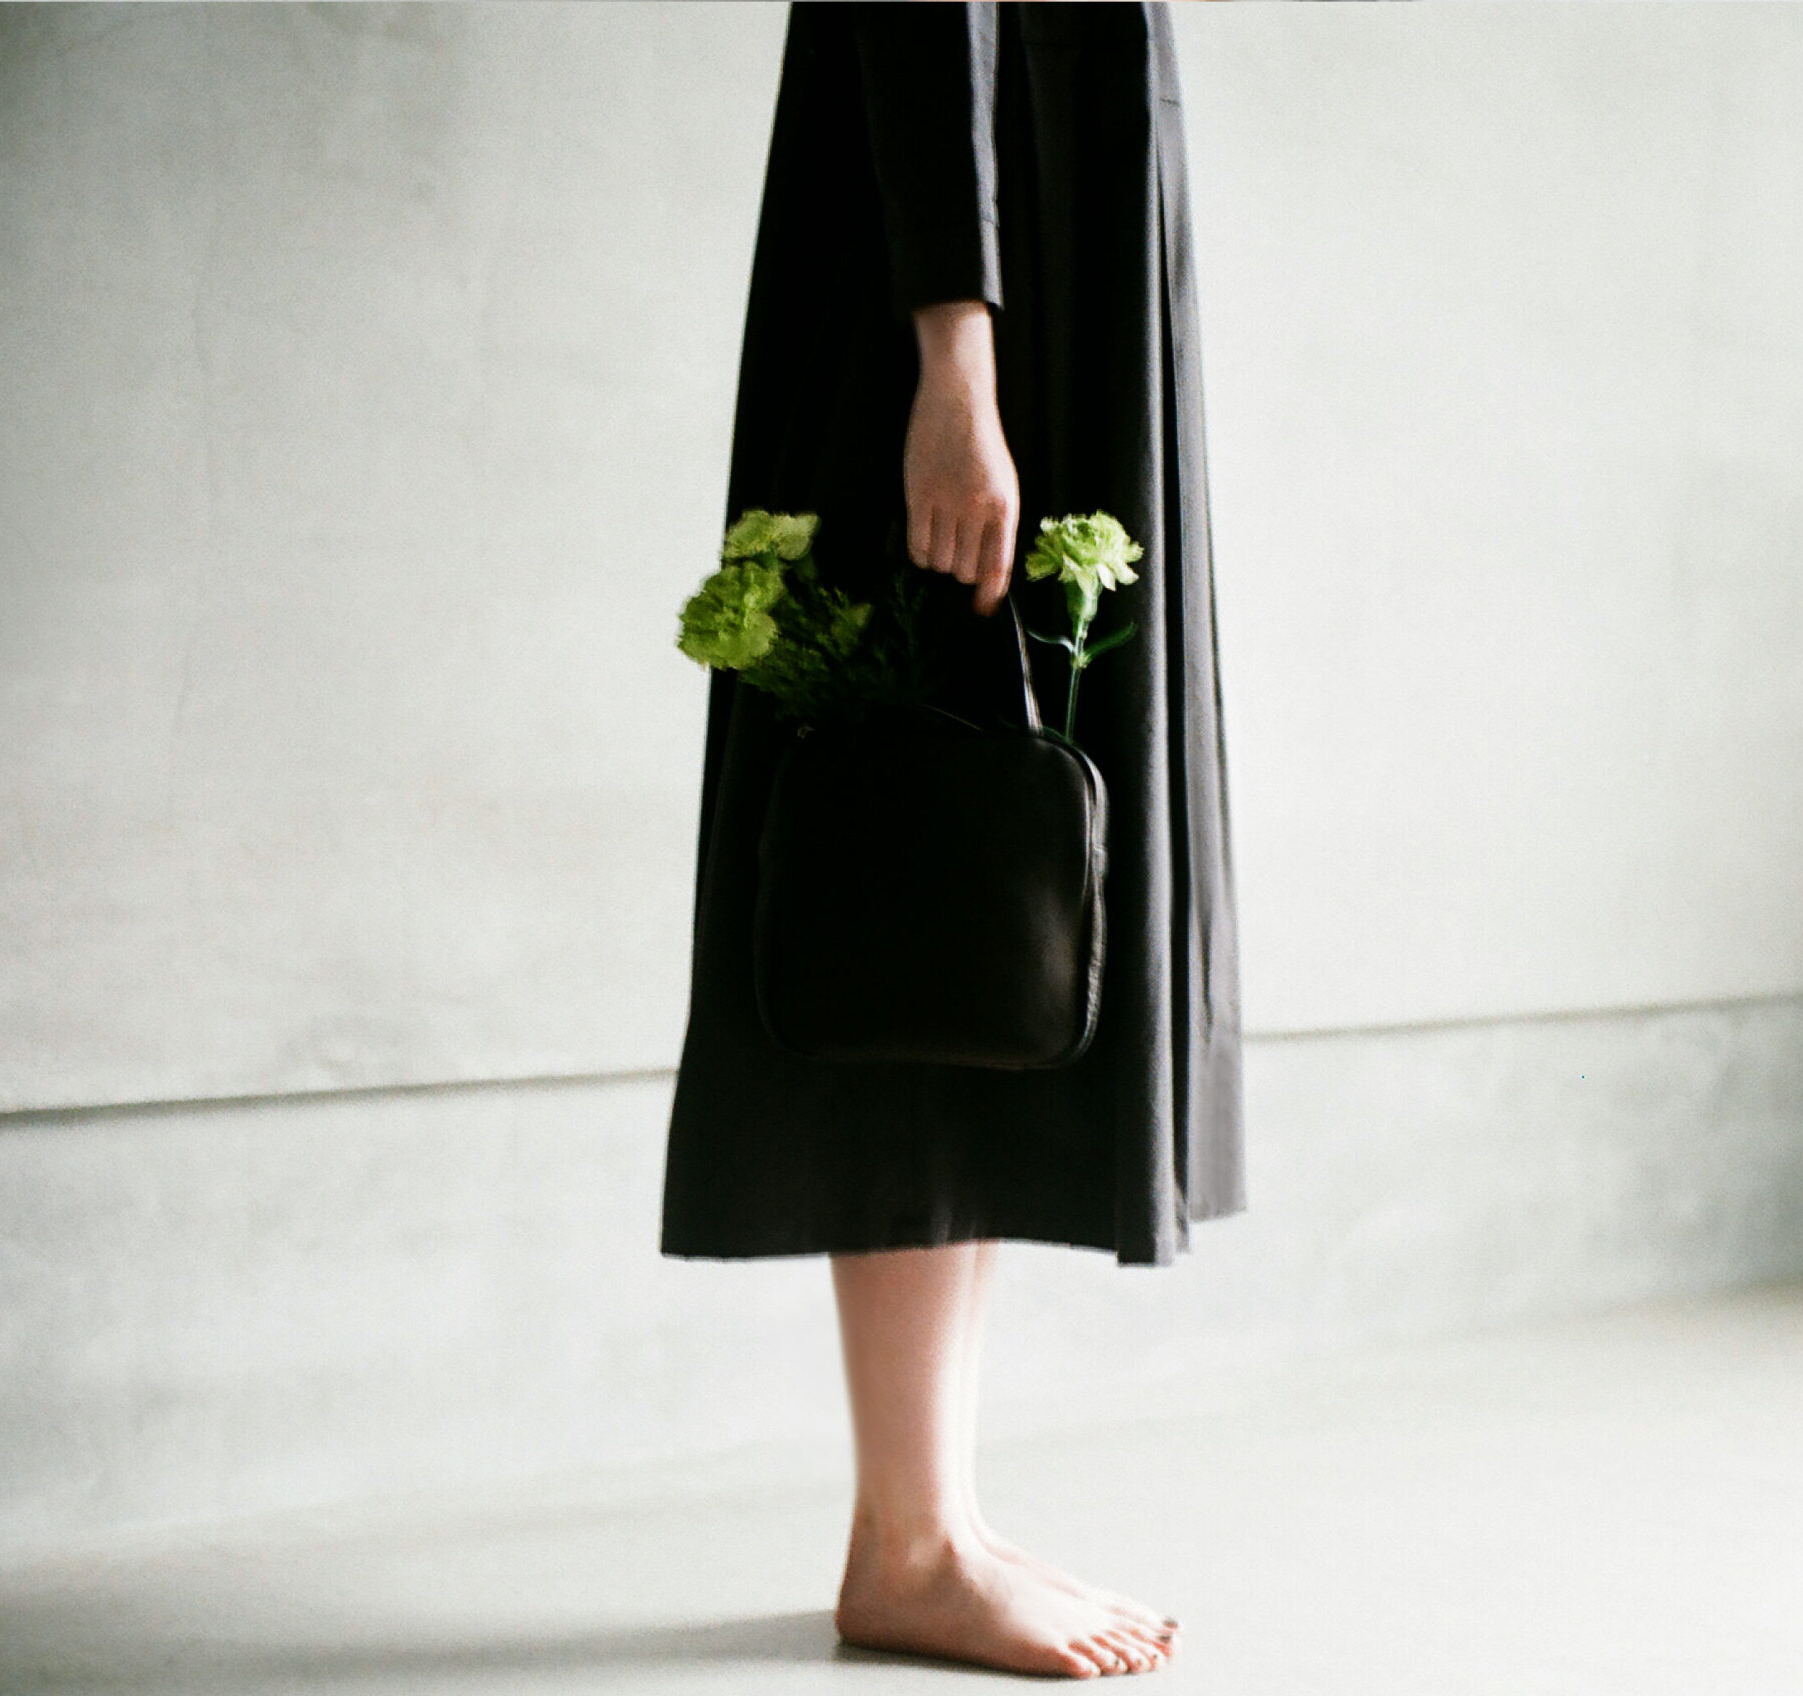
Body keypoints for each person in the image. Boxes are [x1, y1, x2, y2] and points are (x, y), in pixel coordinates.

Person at [662, 3, 1241, 1678]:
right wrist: (957, 357)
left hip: (1029, 267)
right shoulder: (961, 330)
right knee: (925, 877)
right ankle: (913, 1539)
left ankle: (929, 1518)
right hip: (977, 298)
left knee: (990, 907)